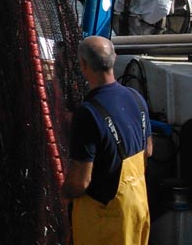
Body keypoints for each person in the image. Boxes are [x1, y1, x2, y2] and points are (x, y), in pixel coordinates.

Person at [63, 35, 152, 245]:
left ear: (83, 65)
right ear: (115, 58)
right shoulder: (136, 97)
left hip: (105, 218)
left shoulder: (88, 113)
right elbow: (148, 151)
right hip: (139, 206)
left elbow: (80, 182)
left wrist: (64, 194)